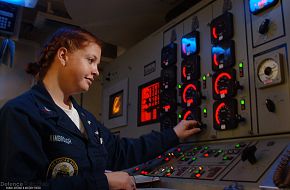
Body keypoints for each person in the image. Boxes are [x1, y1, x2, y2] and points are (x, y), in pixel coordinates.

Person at [0, 27, 201, 190]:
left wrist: (174, 134)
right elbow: (17, 187)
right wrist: (103, 183)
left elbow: (122, 151)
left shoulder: (85, 119)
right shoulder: (21, 113)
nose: (97, 71)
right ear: (63, 56)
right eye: (91, 60)